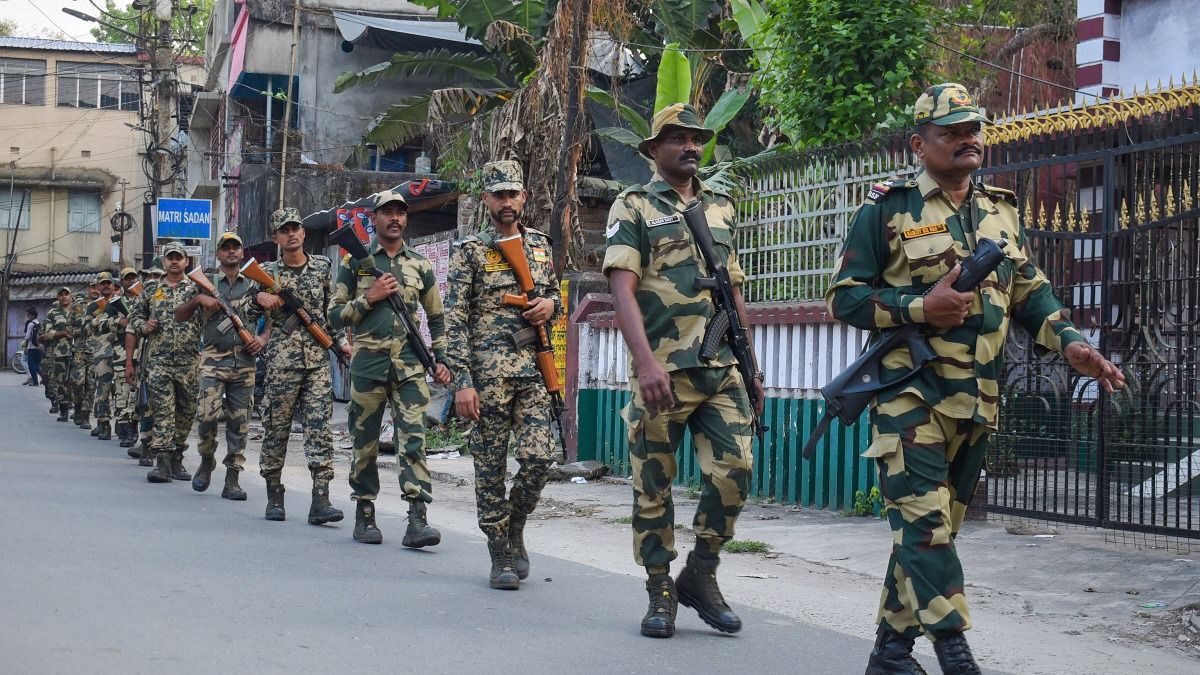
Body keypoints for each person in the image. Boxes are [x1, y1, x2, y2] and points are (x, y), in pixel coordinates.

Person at [825, 83, 1126, 675]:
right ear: (919, 144)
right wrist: (919, 308)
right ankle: (956, 654)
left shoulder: (1002, 209)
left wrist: (1072, 344)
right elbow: (844, 299)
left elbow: (1030, 292)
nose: (969, 139)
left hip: (978, 398)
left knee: (931, 532)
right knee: (926, 528)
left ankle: (890, 655)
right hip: (908, 394)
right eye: (952, 131)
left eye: (974, 129)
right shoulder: (886, 208)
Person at [602, 103, 761, 638]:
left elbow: (733, 287)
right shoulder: (634, 205)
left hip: (721, 368)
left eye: (696, 139)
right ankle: (659, 589)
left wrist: (751, 365)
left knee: (736, 469)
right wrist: (644, 361)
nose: (691, 146)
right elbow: (622, 286)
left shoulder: (722, 206)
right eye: (678, 138)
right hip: (662, 372)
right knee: (654, 486)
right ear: (655, 149)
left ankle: (701, 572)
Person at [444, 161, 559, 588]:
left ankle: (515, 526)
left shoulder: (542, 247)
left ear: (524, 197)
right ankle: (499, 553)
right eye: (499, 194)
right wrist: (462, 382)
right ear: (486, 200)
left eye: (514, 193)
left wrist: (551, 306)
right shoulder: (470, 251)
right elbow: (453, 319)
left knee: (538, 460)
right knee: (490, 467)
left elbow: (553, 299)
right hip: (487, 378)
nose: (507, 202)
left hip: (532, 372)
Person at [329, 191, 449, 547]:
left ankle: (417, 520)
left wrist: (440, 359)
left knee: (413, 441)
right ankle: (364, 515)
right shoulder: (355, 264)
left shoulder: (420, 265)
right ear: (375, 218)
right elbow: (334, 315)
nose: (394, 218)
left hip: (411, 367)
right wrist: (371, 297)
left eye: (400, 213)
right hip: (368, 366)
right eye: (387, 213)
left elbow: (437, 319)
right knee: (364, 443)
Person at [253, 207, 349, 525]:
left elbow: (330, 311)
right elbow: (240, 307)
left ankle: (320, 499)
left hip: (317, 364)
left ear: (303, 233)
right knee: (276, 430)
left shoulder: (322, 266)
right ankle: (274, 496)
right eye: (285, 229)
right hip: (281, 363)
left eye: (296, 228)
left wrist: (341, 343)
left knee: (319, 430)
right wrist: (257, 301)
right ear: (277, 236)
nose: (292, 233)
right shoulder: (267, 272)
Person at [182, 232, 263, 500]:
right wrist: (197, 300)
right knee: (206, 416)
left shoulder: (254, 283)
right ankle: (206, 459)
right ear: (218, 254)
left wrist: (262, 339)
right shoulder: (205, 282)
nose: (230, 252)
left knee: (240, 423)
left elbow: (273, 317)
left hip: (245, 362)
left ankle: (233, 478)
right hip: (213, 360)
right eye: (225, 248)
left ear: (241, 253)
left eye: (235, 248)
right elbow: (178, 315)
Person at [125, 242, 211, 483]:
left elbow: (211, 317)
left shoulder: (197, 289)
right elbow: (134, 322)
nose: (174, 261)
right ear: (164, 262)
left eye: (178, 257)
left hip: (188, 362)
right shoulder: (151, 289)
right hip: (159, 362)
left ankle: (177, 459)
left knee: (186, 412)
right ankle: (162, 462)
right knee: (164, 411)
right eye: (170, 257)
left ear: (186, 261)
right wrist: (143, 331)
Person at [87, 272, 118, 441]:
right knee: (103, 390)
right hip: (102, 353)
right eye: (102, 283)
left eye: (108, 283)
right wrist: (95, 321)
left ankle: (124, 426)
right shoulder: (93, 307)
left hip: (122, 352)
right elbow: (84, 329)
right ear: (98, 286)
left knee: (122, 392)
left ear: (113, 285)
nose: (106, 286)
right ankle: (104, 424)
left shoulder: (120, 302)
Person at [69, 281, 100, 429]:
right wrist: (84, 329)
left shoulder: (105, 305)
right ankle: (77, 407)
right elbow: (70, 329)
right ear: (88, 289)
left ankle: (86, 415)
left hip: (96, 352)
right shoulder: (78, 306)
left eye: (97, 287)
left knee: (91, 384)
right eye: (92, 287)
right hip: (80, 350)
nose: (95, 290)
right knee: (77, 383)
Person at [41, 288, 74, 420]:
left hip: (77, 352)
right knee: (60, 383)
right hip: (59, 353)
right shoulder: (53, 313)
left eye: (66, 294)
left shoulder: (78, 311)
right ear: (57, 297)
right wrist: (63, 333)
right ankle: (64, 411)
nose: (64, 297)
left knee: (76, 382)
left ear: (71, 296)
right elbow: (47, 333)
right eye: (61, 295)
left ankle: (78, 410)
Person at [22, 307, 42, 387]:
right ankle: (45, 379)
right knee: (37, 365)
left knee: (31, 365)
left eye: (29, 314)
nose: (27, 316)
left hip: (31, 347)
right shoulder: (39, 323)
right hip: (39, 347)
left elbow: (27, 337)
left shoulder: (31, 324)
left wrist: (25, 347)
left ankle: (35, 382)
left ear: (33, 315)